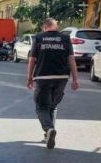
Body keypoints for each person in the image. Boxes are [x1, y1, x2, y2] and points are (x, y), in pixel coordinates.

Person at [26, 18, 79, 149]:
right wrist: (75, 79)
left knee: (41, 106)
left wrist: (29, 78)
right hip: (62, 77)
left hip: (43, 77)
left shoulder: (39, 38)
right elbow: (71, 59)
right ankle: (48, 134)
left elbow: (32, 60)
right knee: (53, 106)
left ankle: (49, 129)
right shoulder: (65, 38)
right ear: (56, 27)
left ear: (44, 27)